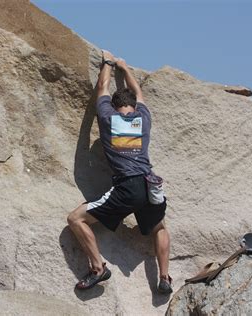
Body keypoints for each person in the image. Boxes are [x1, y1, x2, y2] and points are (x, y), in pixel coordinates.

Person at [67, 50, 172, 294]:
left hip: (128, 187)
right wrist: (124, 68)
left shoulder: (107, 117)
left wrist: (107, 62)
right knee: (160, 227)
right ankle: (165, 277)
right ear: (134, 107)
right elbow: (139, 93)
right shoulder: (144, 118)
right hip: (152, 185)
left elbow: (102, 86)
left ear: (115, 106)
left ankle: (97, 268)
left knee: (75, 219)